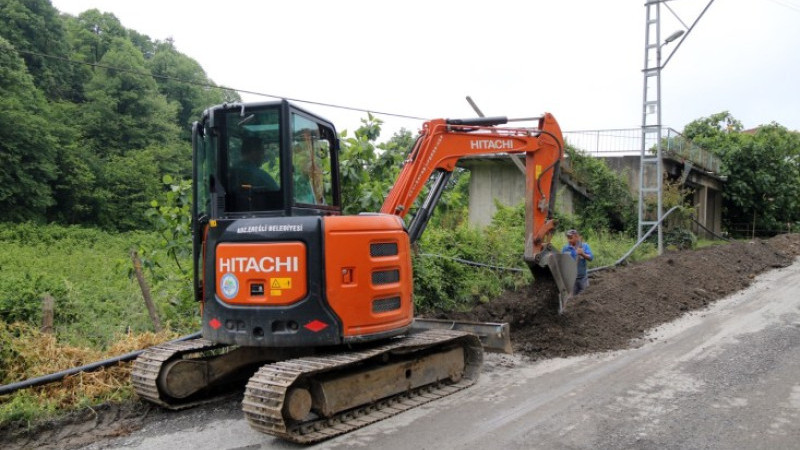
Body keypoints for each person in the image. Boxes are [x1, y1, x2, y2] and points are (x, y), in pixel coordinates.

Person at [562, 229, 594, 295]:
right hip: (571, 279)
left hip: (583, 278)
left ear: (577, 237)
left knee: (585, 296)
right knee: (572, 299)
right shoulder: (566, 248)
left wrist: (582, 254)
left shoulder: (584, 246)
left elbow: (591, 258)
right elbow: (562, 261)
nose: (569, 240)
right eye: (568, 238)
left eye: (571, 238)